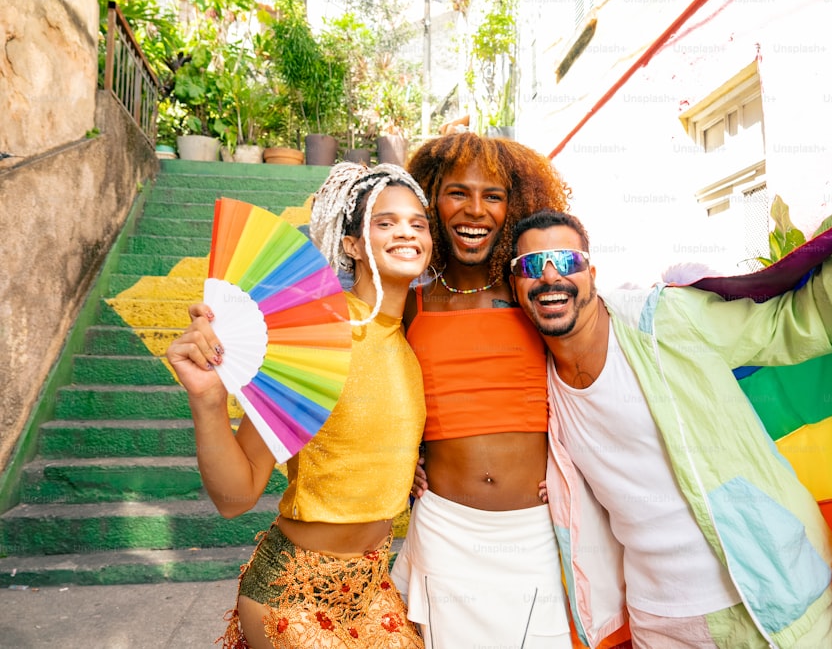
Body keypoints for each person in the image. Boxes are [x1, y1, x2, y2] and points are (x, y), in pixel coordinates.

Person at [508, 164, 832, 648]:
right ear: (516, 287)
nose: (552, 276)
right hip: (659, 621)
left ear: (592, 274)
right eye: (532, 266)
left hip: (771, 590)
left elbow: (798, 321)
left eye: (567, 260)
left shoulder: (666, 320)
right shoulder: (534, 381)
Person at [166, 162, 432, 649]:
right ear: (351, 244)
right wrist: (207, 402)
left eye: (418, 223)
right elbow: (237, 495)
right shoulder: (319, 336)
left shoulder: (415, 342)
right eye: (385, 222)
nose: (406, 233)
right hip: (294, 594)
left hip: (372, 588)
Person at [389, 132, 577, 648]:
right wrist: (399, 460)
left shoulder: (535, 293)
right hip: (445, 530)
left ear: (514, 206)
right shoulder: (410, 303)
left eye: (492, 195)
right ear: (432, 199)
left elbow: (586, 384)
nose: (476, 210)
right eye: (457, 192)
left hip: (535, 532)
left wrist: (575, 465)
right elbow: (378, 391)